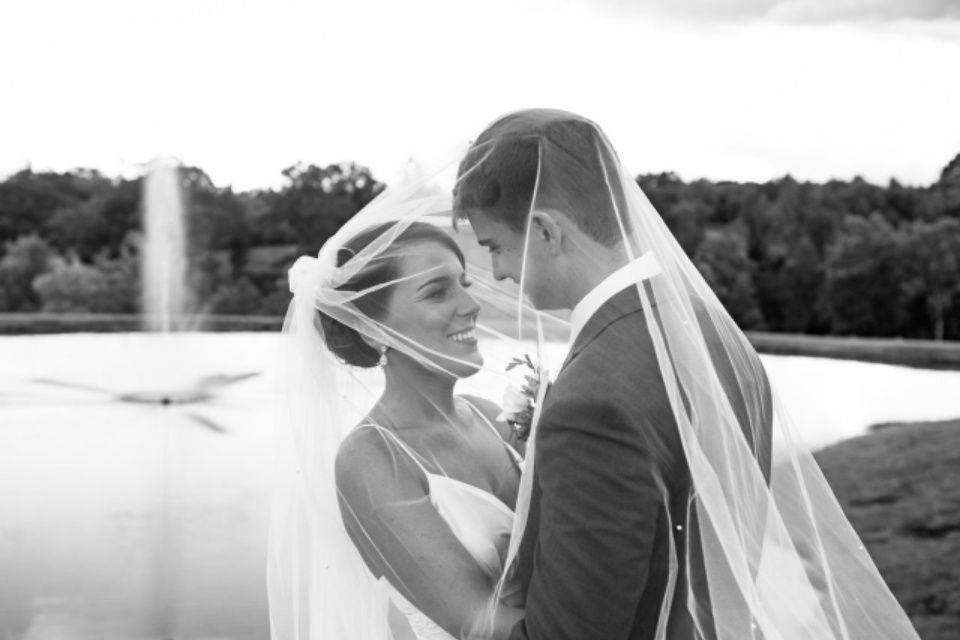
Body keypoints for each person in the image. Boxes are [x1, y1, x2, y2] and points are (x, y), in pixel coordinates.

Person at [454, 109, 922, 640]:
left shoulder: (590, 405)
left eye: (494, 246)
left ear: (544, 231)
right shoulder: (719, 340)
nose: (496, 273)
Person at [268, 219, 526, 640]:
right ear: (372, 329)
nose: (471, 304)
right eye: (438, 291)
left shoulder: (492, 417)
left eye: (463, 282)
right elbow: (481, 625)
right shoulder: (371, 458)